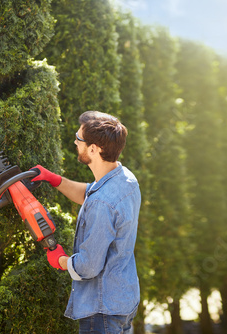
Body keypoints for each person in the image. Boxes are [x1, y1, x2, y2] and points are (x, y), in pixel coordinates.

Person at [31, 111, 141, 333]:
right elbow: (90, 193)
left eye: (78, 138)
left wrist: (61, 260)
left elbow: (89, 266)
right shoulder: (125, 178)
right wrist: (55, 180)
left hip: (102, 312)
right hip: (123, 300)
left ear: (94, 149)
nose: (74, 141)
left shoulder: (103, 203)